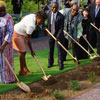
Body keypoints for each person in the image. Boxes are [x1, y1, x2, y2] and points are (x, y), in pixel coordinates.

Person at [12, 11, 46, 76]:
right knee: (23, 52)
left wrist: (23, 25)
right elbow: (28, 40)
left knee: (22, 52)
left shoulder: (33, 15)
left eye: (43, 20)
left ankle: (24, 69)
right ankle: (22, 71)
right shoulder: (31, 26)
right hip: (17, 33)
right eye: (42, 20)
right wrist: (32, 51)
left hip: (20, 33)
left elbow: (23, 17)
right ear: (37, 17)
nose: (42, 22)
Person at [0, 1, 16, 83]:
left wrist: (3, 45)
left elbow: (10, 32)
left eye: (3, 10)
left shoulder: (8, 18)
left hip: (6, 44)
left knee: (6, 62)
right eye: (0, 11)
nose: (2, 12)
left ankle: (8, 79)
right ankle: (1, 78)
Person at [46, 2, 65, 70]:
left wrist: (58, 36)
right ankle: (50, 63)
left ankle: (60, 64)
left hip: (58, 35)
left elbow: (61, 28)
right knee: (51, 49)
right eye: (53, 7)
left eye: (55, 8)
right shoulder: (48, 13)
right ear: (51, 7)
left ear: (58, 8)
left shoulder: (61, 16)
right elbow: (46, 22)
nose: (54, 9)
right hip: (51, 34)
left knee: (60, 50)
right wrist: (44, 26)